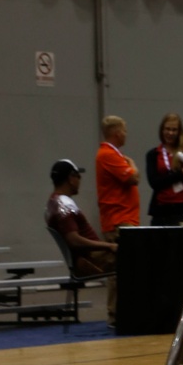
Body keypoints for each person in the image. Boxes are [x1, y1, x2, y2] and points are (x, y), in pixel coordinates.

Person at [45, 160, 118, 321]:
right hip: (91, 260)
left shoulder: (52, 202)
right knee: (139, 258)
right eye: (78, 176)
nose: (79, 181)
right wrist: (109, 245)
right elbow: (74, 240)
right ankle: (121, 316)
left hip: (88, 258)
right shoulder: (63, 205)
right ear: (71, 178)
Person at [96, 115, 141, 236]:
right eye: (124, 130)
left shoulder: (113, 154)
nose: (126, 134)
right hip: (120, 221)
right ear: (118, 133)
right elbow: (134, 178)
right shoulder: (108, 154)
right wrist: (132, 163)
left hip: (123, 220)